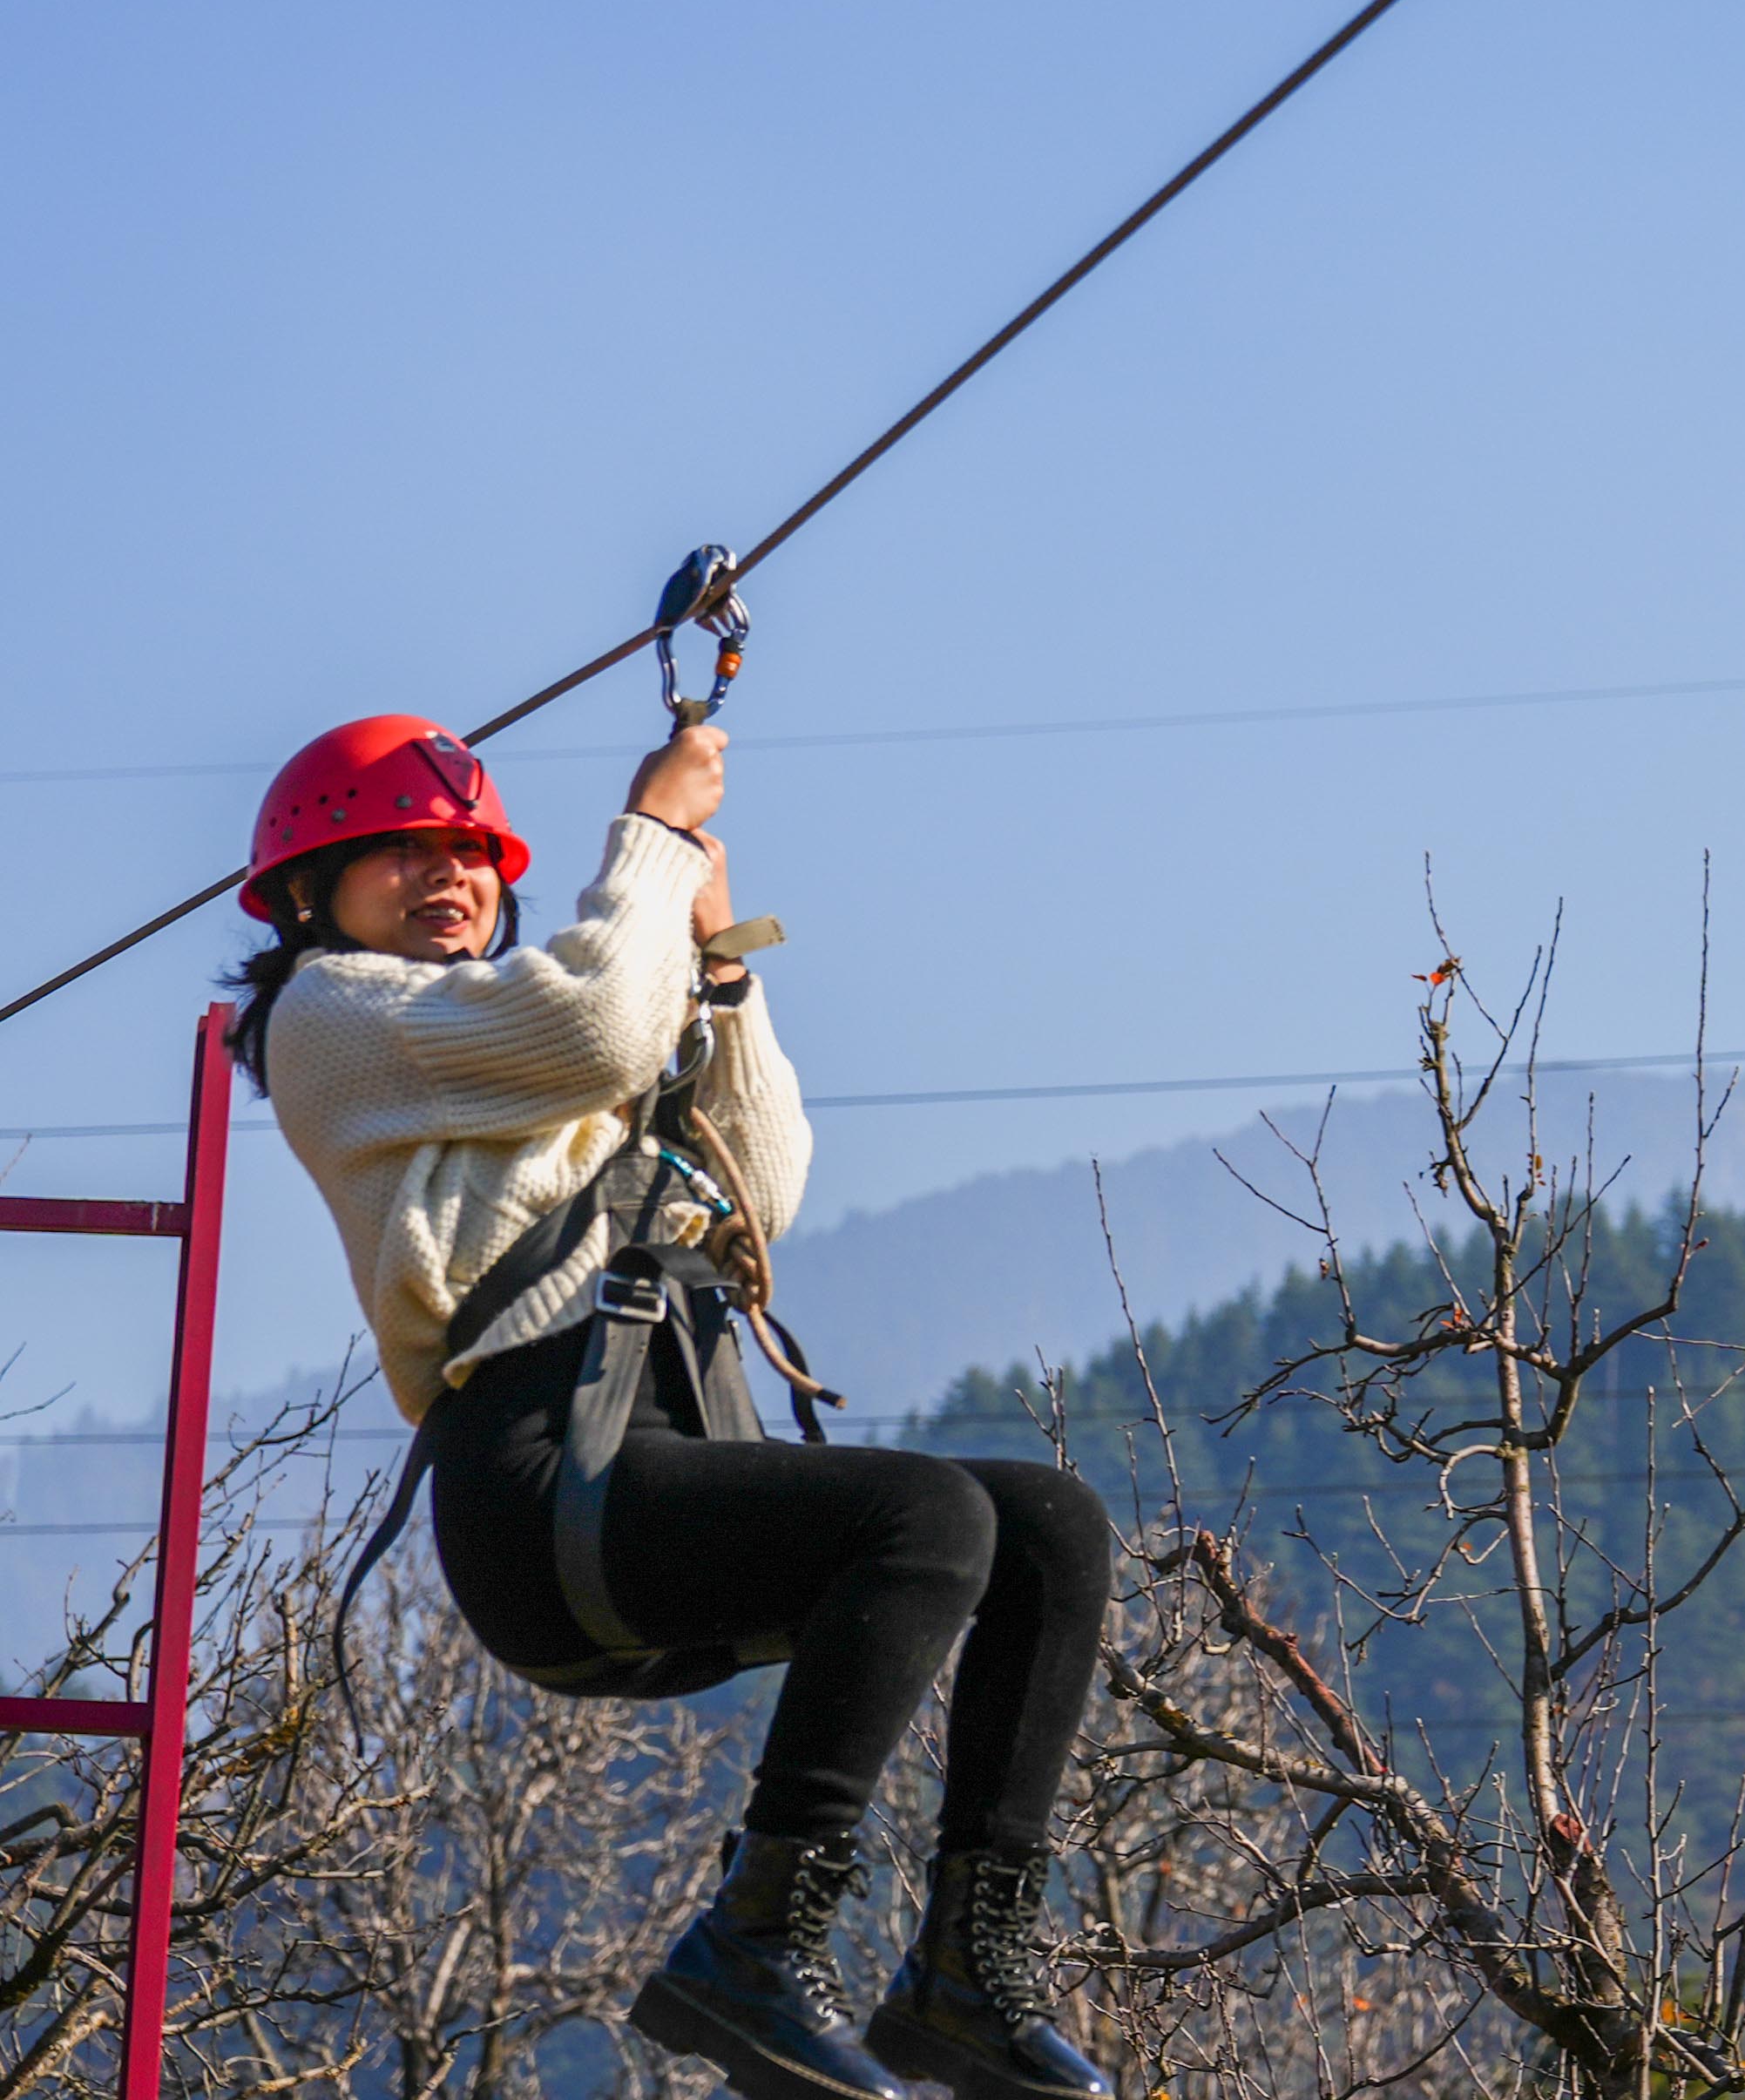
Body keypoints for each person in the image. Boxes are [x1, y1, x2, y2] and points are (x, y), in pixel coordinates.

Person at [227, 712, 1113, 2100]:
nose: (445, 875)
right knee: (928, 1515)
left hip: (657, 1457)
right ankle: (756, 1943)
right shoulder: (329, 1018)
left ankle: (965, 1967)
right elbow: (592, 1023)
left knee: (1048, 1523)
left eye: (465, 850)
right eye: (397, 852)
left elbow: (756, 1194)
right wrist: (649, 830)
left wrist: (716, 965)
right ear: (303, 896)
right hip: (542, 1490)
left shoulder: (514, 1044)